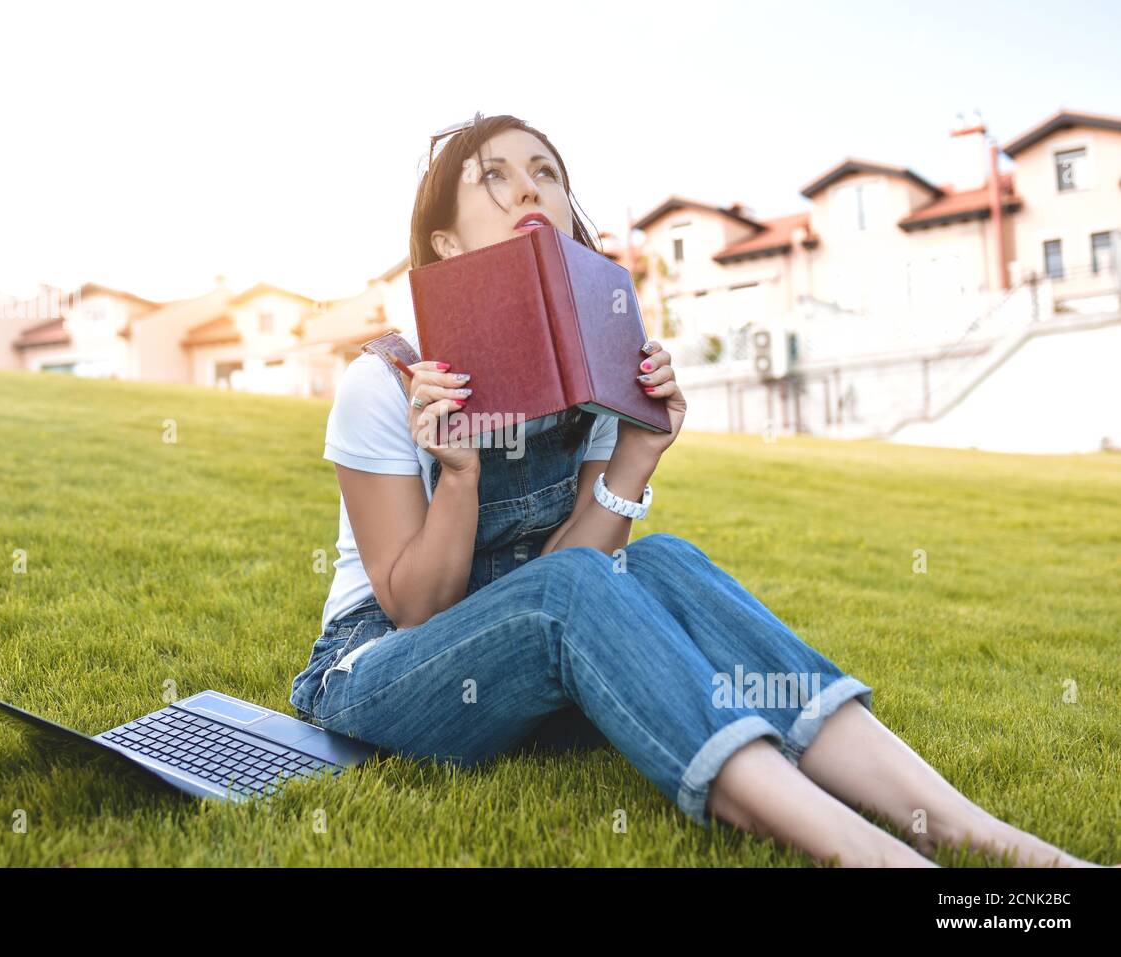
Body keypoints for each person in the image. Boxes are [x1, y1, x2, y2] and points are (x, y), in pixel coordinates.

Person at [289, 112, 1111, 868]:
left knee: (666, 560)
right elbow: (416, 612)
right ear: (444, 246)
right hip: (381, 673)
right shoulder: (387, 383)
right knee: (582, 585)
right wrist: (460, 478)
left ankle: (987, 839)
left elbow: (566, 580)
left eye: (546, 171)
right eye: (494, 176)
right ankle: (880, 859)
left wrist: (639, 452)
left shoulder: (603, 375)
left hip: (521, 675)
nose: (530, 186)